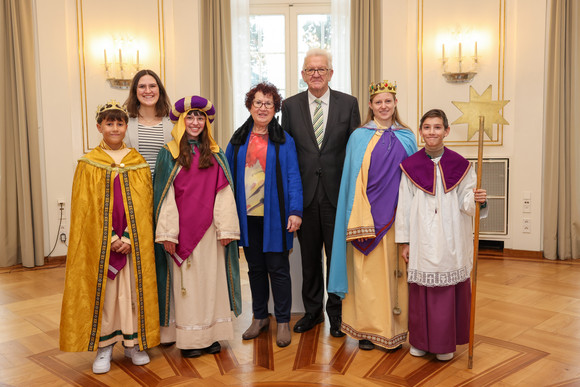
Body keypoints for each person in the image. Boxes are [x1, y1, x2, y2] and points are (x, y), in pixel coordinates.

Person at [60, 100, 160, 374]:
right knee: (105, 296)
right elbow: (85, 211)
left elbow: (144, 207)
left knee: (130, 293)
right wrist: (109, 238)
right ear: (99, 127)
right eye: (109, 123)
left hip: (131, 244)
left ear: (126, 126)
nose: (115, 128)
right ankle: (104, 347)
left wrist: (127, 237)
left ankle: (132, 343)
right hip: (102, 245)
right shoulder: (88, 163)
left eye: (120, 123)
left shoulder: (137, 161)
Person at [328, 80, 418, 350]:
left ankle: (394, 329)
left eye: (388, 101)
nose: (383, 106)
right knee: (366, 276)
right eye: (378, 102)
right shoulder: (358, 136)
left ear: (395, 103)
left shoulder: (407, 136)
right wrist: (357, 216)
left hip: (396, 218)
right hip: (365, 218)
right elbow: (351, 180)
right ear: (370, 105)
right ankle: (366, 331)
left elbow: (415, 178)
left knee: (394, 276)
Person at [395, 108, 488, 361]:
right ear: (421, 132)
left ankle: (444, 343)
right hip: (422, 237)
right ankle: (421, 341)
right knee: (421, 291)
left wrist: (478, 199)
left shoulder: (461, 166)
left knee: (446, 290)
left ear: (446, 131)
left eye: (437, 127)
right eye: (427, 127)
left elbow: (467, 203)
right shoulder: (410, 166)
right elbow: (403, 207)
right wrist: (404, 241)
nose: (432, 132)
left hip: (451, 237)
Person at [153, 96, 241, 358]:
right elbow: (164, 196)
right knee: (187, 286)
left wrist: (226, 229)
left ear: (206, 122)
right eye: (190, 117)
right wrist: (168, 233)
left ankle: (211, 335)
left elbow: (224, 193)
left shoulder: (215, 154)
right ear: (181, 120)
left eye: (200, 117)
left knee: (211, 283)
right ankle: (191, 339)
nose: (195, 122)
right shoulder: (168, 153)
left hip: (211, 233)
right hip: (180, 233)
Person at [281, 48, 360, 337]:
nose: (316, 74)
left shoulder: (348, 104)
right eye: (310, 70)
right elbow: (286, 153)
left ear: (330, 73)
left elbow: (355, 150)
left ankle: (337, 315)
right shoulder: (289, 106)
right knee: (310, 258)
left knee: (336, 257)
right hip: (304, 195)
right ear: (303, 75)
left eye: (321, 69)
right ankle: (312, 312)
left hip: (337, 195)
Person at [226, 82, 303, 348]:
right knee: (256, 269)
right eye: (258, 102)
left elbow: (293, 176)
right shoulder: (237, 140)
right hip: (247, 217)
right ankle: (260, 317)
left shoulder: (284, 141)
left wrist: (295, 211)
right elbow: (225, 180)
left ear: (275, 109)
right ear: (249, 106)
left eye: (268, 103)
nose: (262, 108)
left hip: (276, 216)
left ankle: (282, 320)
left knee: (278, 269)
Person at [124, 69, 173, 175]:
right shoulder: (124, 123)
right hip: (135, 188)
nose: (147, 91)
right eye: (142, 86)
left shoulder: (173, 123)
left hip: (165, 188)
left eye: (152, 86)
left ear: (159, 90)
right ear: (135, 91)